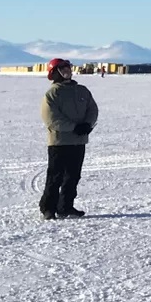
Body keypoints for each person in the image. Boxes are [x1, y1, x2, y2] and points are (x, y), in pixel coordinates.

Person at [39, 58, 99, 220]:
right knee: (55, 176)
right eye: (62, 68)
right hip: (59, 142)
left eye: (68, 68)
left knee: (73, 176)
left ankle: (66, 206)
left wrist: (87, 124)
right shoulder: (52, 94)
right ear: (54, 73)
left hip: (78, 142)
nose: (67, 71)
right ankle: (48, 208)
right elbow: (51, 118)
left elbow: (92, 110)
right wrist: (74, 127)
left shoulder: (82, 91)